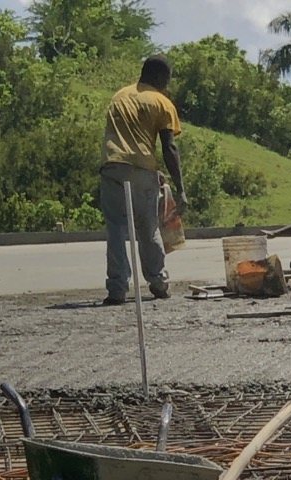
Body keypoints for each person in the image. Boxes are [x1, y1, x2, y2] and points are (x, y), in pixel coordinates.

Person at [99, 55, 187, 305]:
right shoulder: (161, 102)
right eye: (166, 81)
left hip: (112, 165)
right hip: (142, 168)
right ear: (160, 78)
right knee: (147, 227)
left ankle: (117, 289)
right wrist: (180, 188)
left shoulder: (119, 96)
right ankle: (158, 282)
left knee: (116, 228)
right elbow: (169, 147)